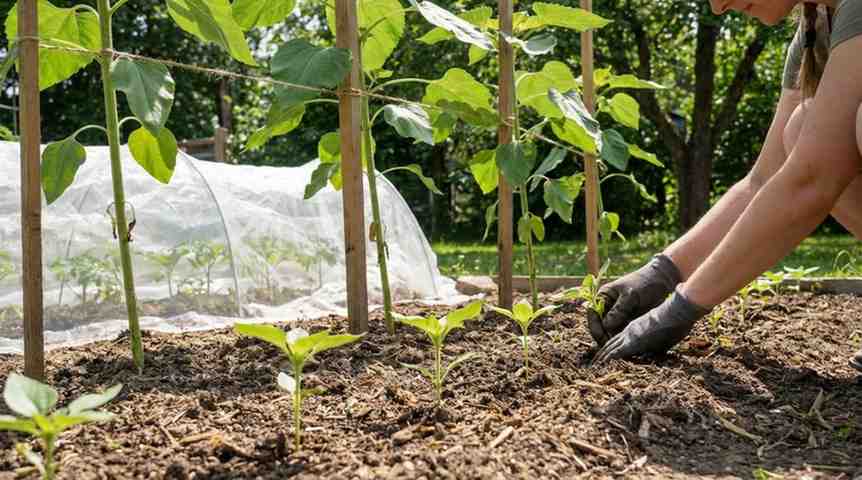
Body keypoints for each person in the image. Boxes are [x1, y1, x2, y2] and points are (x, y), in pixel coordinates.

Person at [589, 0, 862, 373]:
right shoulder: (815, 28)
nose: (718, 7)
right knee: (802, 128)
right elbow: (764, 179)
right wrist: (663, 273)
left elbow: (812, 178)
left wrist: (680, 309)